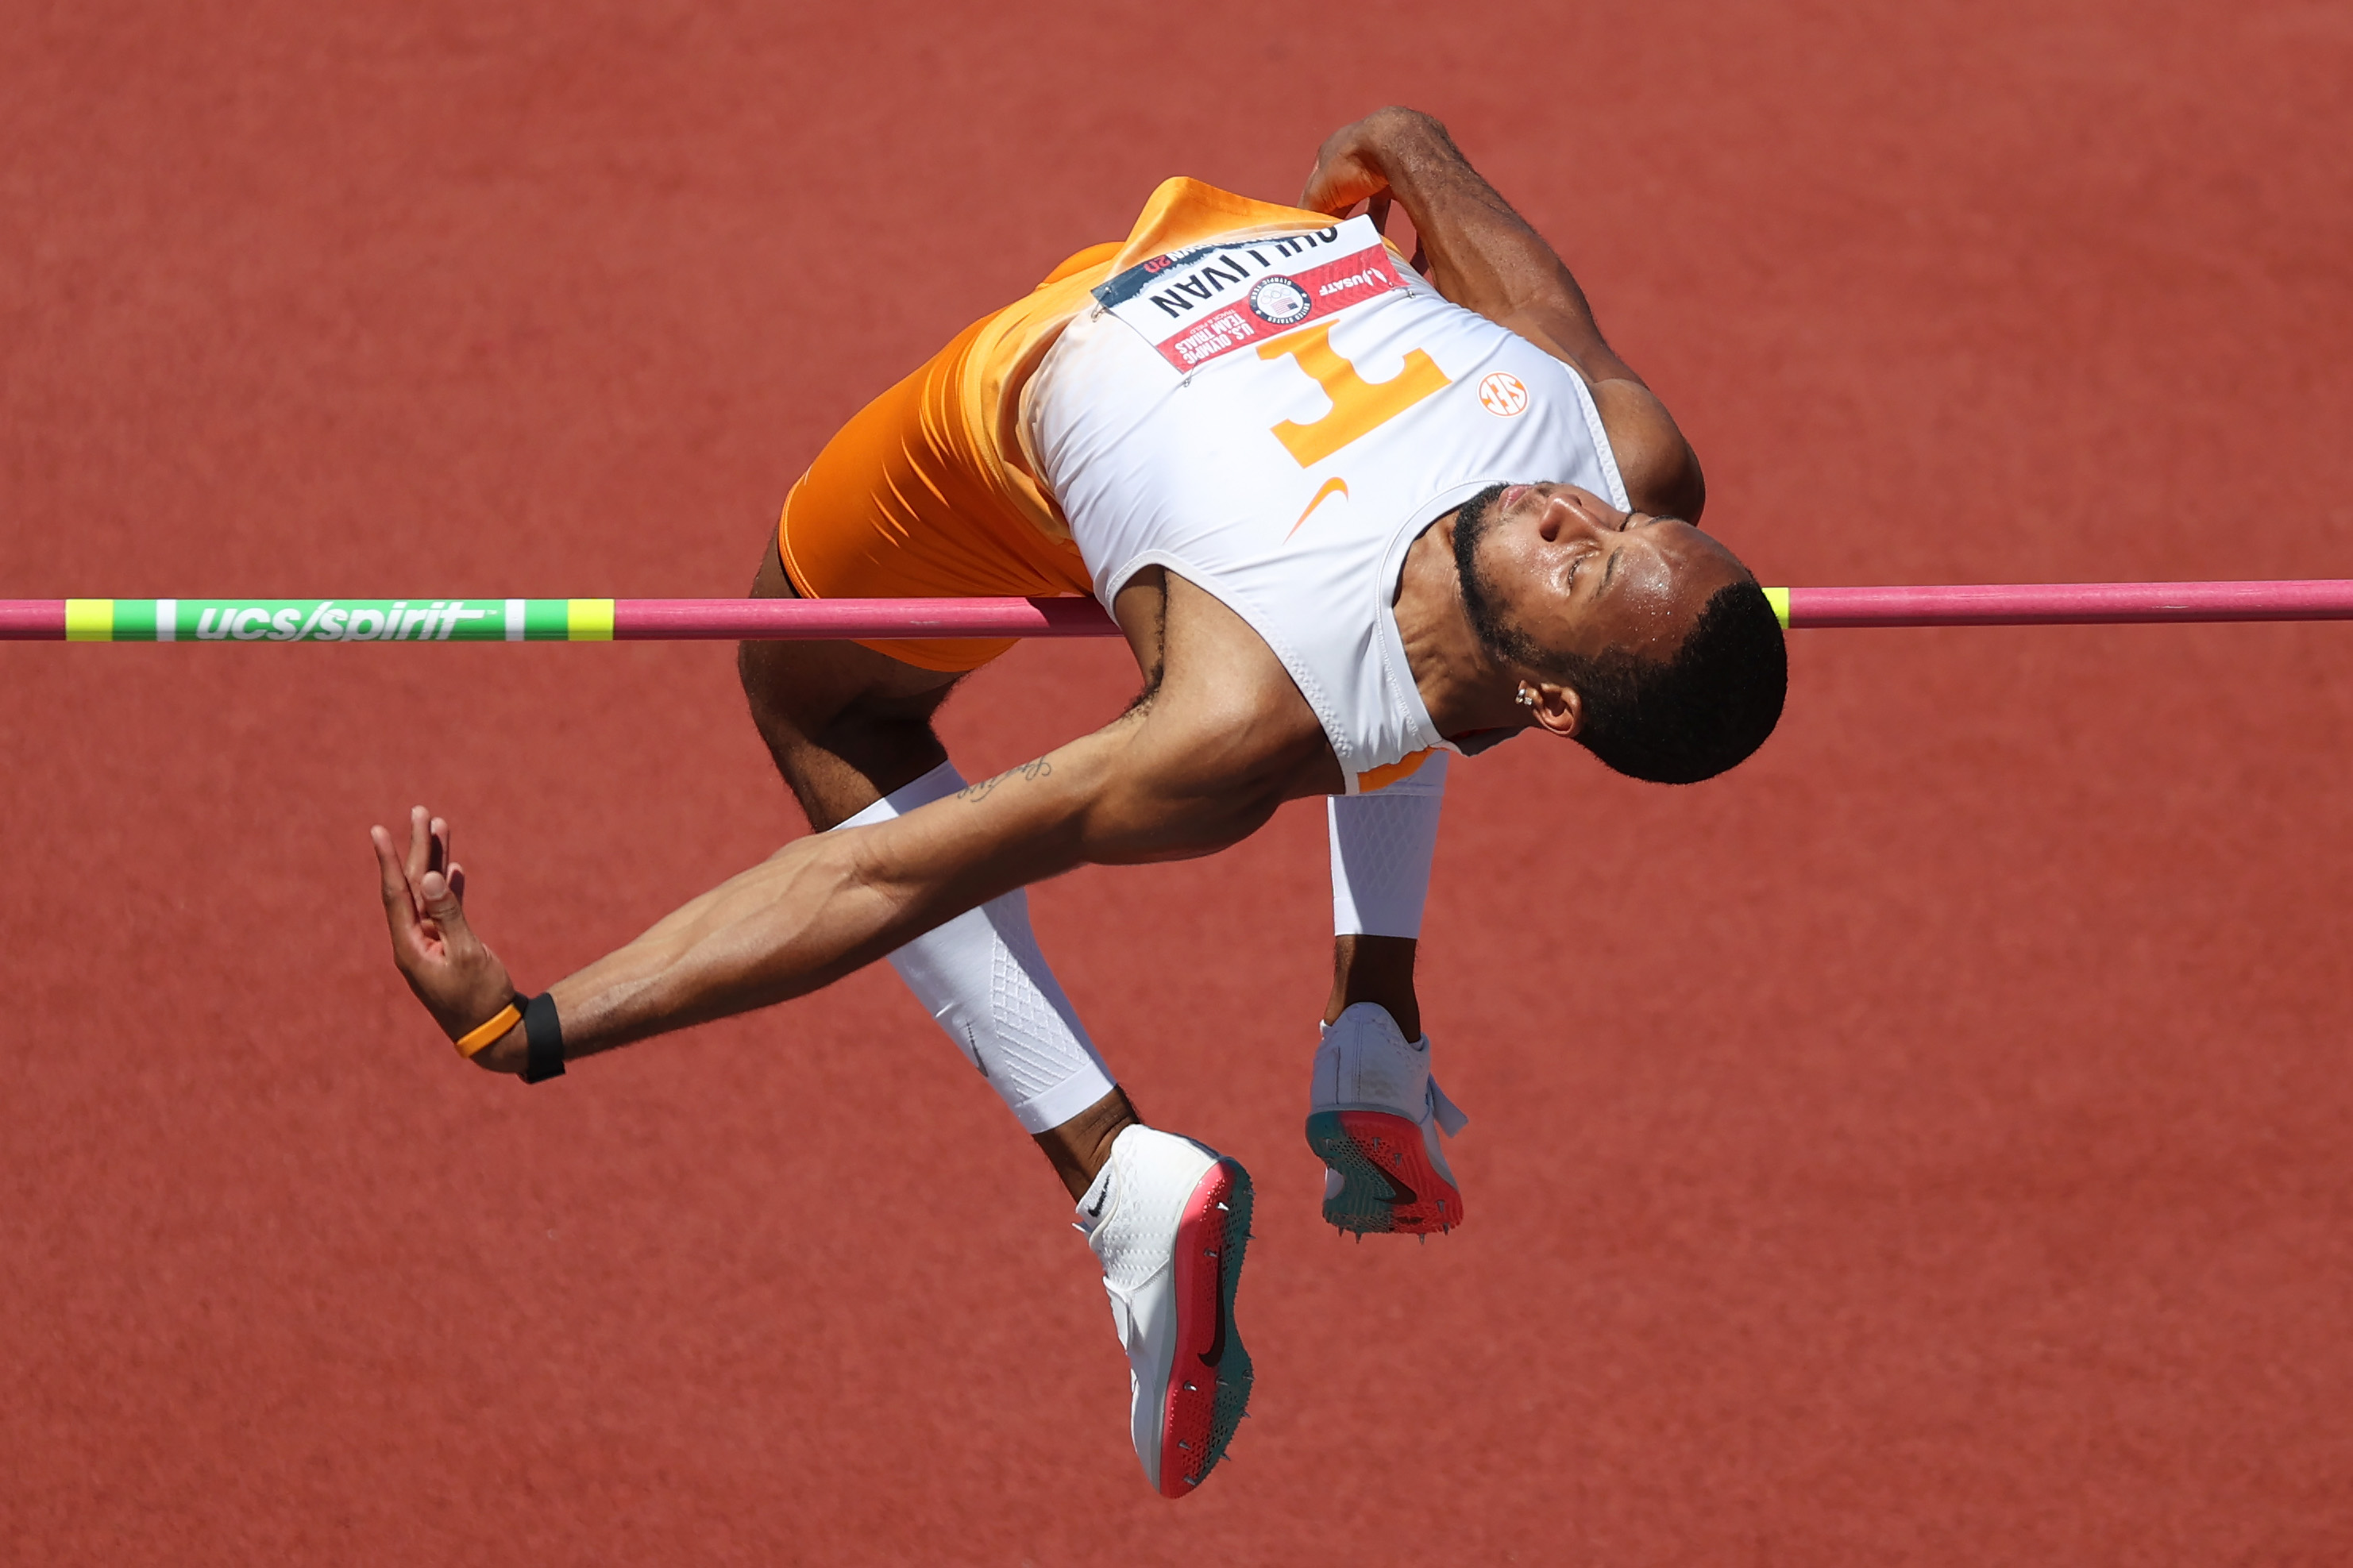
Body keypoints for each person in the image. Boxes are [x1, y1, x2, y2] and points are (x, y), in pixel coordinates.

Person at [369, 107, 1788, 1499]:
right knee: (1437, 652)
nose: (1573, 512)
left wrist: (535, 1025)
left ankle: (1124, 1174)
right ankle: (1370, 1024)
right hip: (1247, 275)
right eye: (1625, 524)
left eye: (1593, 566)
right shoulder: (1620, 453)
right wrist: (1409, 145)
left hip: (1035, 379)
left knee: (814, 691)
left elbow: (884, 877)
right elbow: (1537, 298)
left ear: (1558, 710)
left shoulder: (1230, 715)